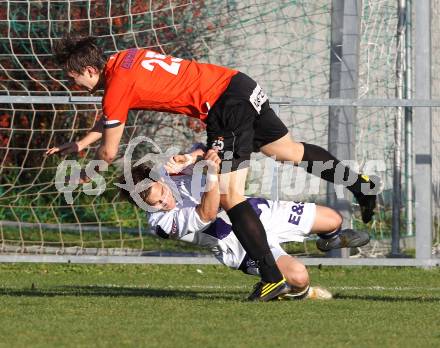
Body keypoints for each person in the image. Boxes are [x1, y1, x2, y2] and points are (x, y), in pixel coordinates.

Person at [48, 35, 379, 301]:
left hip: (224, 106)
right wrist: (79, 144)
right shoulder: (125, 59)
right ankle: (358, 185)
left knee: (229, 196)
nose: (73, 83)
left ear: (88, 70)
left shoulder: (115, 87)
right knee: (288, 151)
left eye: (73, 77)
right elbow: (111, 113)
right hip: (241, 85)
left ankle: (270, 277)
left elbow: (109, 151)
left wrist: (84, 171)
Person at [118, 147, 369, 300]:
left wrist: (192, 157)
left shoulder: (166, 171)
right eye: (156, 205)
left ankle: (330, 241)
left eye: (162, 196)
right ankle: (297, 294)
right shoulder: (162, 224)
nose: (165, 203)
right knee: (300, 277)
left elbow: (204, 150)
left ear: (159, 180)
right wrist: (213, 176)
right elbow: (207, 213)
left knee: (333, 219)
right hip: (239, 245)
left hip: (254, 212)